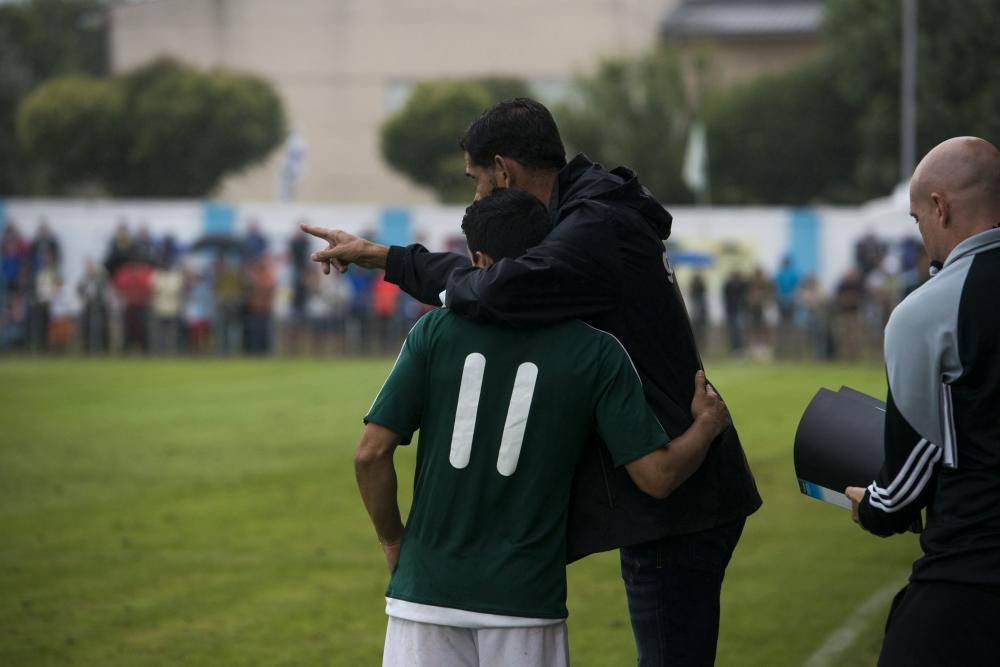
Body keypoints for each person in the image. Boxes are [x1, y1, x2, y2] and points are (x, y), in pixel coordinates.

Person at [306, 97, 761, 666]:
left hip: (682, 487)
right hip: (668, 484)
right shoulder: (590, 210)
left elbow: (496, 287)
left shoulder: (595, 223)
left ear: (504, 170)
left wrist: (400, 263)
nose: (475, 197)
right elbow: (499, 278)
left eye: (477, 181)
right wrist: (387, 257)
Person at [356, 188, 731, 667]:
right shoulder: (596, 352)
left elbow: (369, 454)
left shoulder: (433, 333)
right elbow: (657, 477)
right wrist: (706, 424)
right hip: (526, 604)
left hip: (424, 595)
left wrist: (393, 540)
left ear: (479, 259)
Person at [845, 136, 1000, 666]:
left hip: (972, 572)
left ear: (940, 206)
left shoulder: (927, 310)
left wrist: (872, 504)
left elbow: (908, 480)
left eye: (917, 221)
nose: (922, 238)